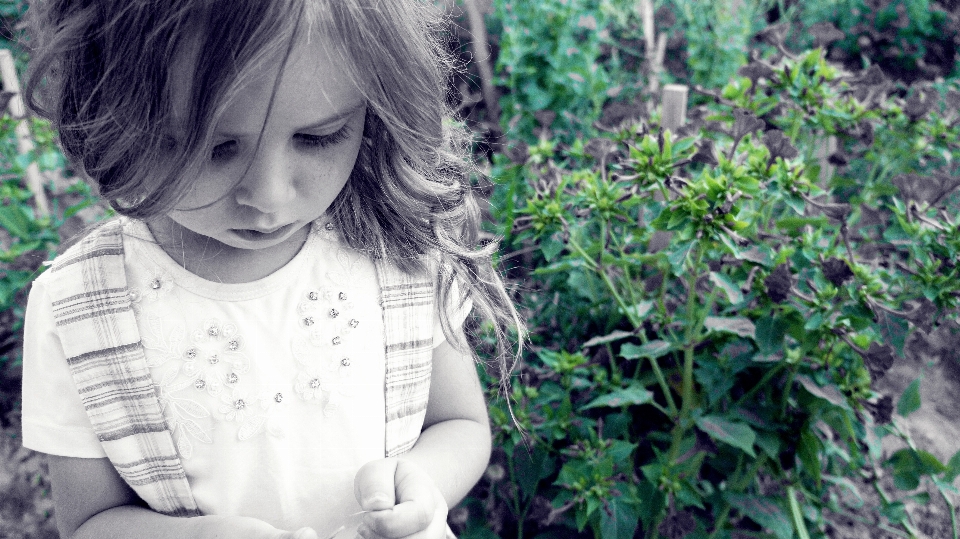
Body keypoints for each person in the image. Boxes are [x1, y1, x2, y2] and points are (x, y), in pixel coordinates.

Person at [19, 1, 523, 538]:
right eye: (213, 148)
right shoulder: (77, 307)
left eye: (318, 137)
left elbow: (460, 425)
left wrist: (419, 481)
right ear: (113, 115)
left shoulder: (398, 250)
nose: (268, 196)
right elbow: (90, 522)